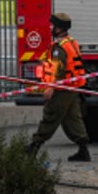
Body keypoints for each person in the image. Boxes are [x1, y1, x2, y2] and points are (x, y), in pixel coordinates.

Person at [27, 12, 92, 162]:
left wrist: (51, 87)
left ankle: (33, 147)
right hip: (72, 87)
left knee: (50, 116)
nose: (51, 27)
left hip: (62, 89)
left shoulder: (59, 48)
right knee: (73, 119)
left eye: (53, 25)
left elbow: (59, 68)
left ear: (59, 28)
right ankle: (83, 150)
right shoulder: (71, 42)